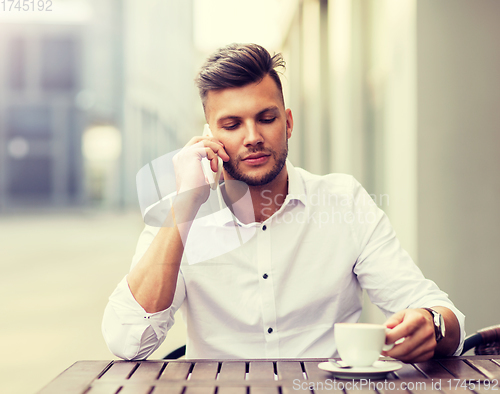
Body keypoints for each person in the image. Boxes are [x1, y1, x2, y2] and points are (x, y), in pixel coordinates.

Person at [102, 43, 465, 362]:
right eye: (231, 125)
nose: (253, 137)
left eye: (266, 118)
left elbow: (443, 316)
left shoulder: (345, 201)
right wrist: (185, 206)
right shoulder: (180, 215)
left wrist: (431, 325)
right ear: (209, 138)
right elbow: (127, 341)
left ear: (288, 123)